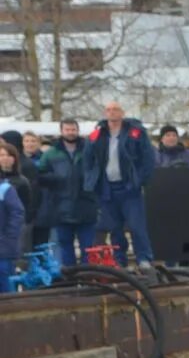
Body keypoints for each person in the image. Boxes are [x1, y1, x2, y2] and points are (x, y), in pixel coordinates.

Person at [82, 100, 158, 265]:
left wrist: (140, 180)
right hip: (107, 187)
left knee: (137, 226)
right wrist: (92, 180)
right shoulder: (97, 135)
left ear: (122, 113)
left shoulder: (136, 132)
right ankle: (119, 259)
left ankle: (144, 258)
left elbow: (148, 158)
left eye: (116, 109)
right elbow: (87, 161)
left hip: (130, 186)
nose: (112, 112)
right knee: (114, 228)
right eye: (108, 109)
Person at [35, 120, 97, 265]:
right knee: (65, 248)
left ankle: (88, 277)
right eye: (67, 129)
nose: (70, 132)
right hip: (61, 207)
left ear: (78, 130)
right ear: (61, 131)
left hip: (86, 206)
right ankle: (71, 279)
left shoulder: (89, 150)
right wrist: (56, 179)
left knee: (88, 248)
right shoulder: (51, 154)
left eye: (73, 129)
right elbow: (41, 176)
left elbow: (98, 171)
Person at [0, 140, 27, 293]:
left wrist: (8, 239)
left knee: (6, 289)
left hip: (3, 250)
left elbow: (18, 213)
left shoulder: (5, 188)